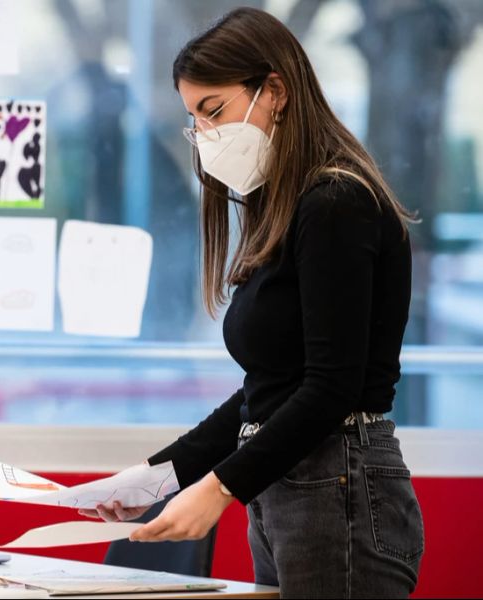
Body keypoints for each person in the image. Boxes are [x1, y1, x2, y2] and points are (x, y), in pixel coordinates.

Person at [81, 7, 424, 598]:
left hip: (339, 482)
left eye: (214, 111)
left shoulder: (335, 202)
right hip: (291, 484)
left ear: (276, 90)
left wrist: (218, 489)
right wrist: (157, 476)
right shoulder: (286, 207)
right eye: (193, 119)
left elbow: (330, 388)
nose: (205, 135)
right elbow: (268, 390)